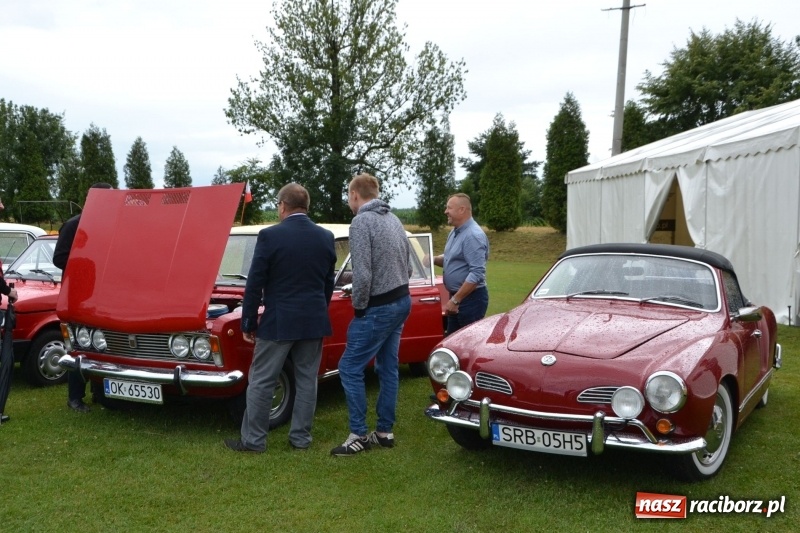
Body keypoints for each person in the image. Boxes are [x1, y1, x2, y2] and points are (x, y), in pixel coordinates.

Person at [224, 183, 336, 453]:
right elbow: (327, 283)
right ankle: (300, 439)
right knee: (308, 380)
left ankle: (254, 440)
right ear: (305, 206)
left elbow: (255, 283)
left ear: (283, 206)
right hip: (313, 319)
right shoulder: (325, 236)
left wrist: (248, 321)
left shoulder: (270, 236)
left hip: (279, 319)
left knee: (262, 379)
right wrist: (319, 307)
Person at [331, 173, 411, 457]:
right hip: (402, 300)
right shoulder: (394, 219)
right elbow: (409, 266)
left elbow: (363, 274)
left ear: (355, 195)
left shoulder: (360, 222)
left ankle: (358, 434)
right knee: (388, 367)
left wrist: (360, 307)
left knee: (349, 367)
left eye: (348, 197)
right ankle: (384, 432)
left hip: (378, 307)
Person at [53, 182, 114, 413]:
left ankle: (100, 390)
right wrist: (86, 262)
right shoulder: (73, 225)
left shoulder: (108, 226)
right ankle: (75, 397)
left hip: (101, 294)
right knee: (78, 344)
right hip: (78, 295)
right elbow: (59, 259)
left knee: (102, 342)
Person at [431, 193, 489, 336]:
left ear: (461, 210)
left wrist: (456, 300)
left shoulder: (473, 235)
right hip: (459, 298)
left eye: (449, 208)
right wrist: (432, 259)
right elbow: (453, 259)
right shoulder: (454, 232)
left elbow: (476, 274)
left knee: (467, 346)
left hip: (470, 300)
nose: (445, 211)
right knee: (453, 343)